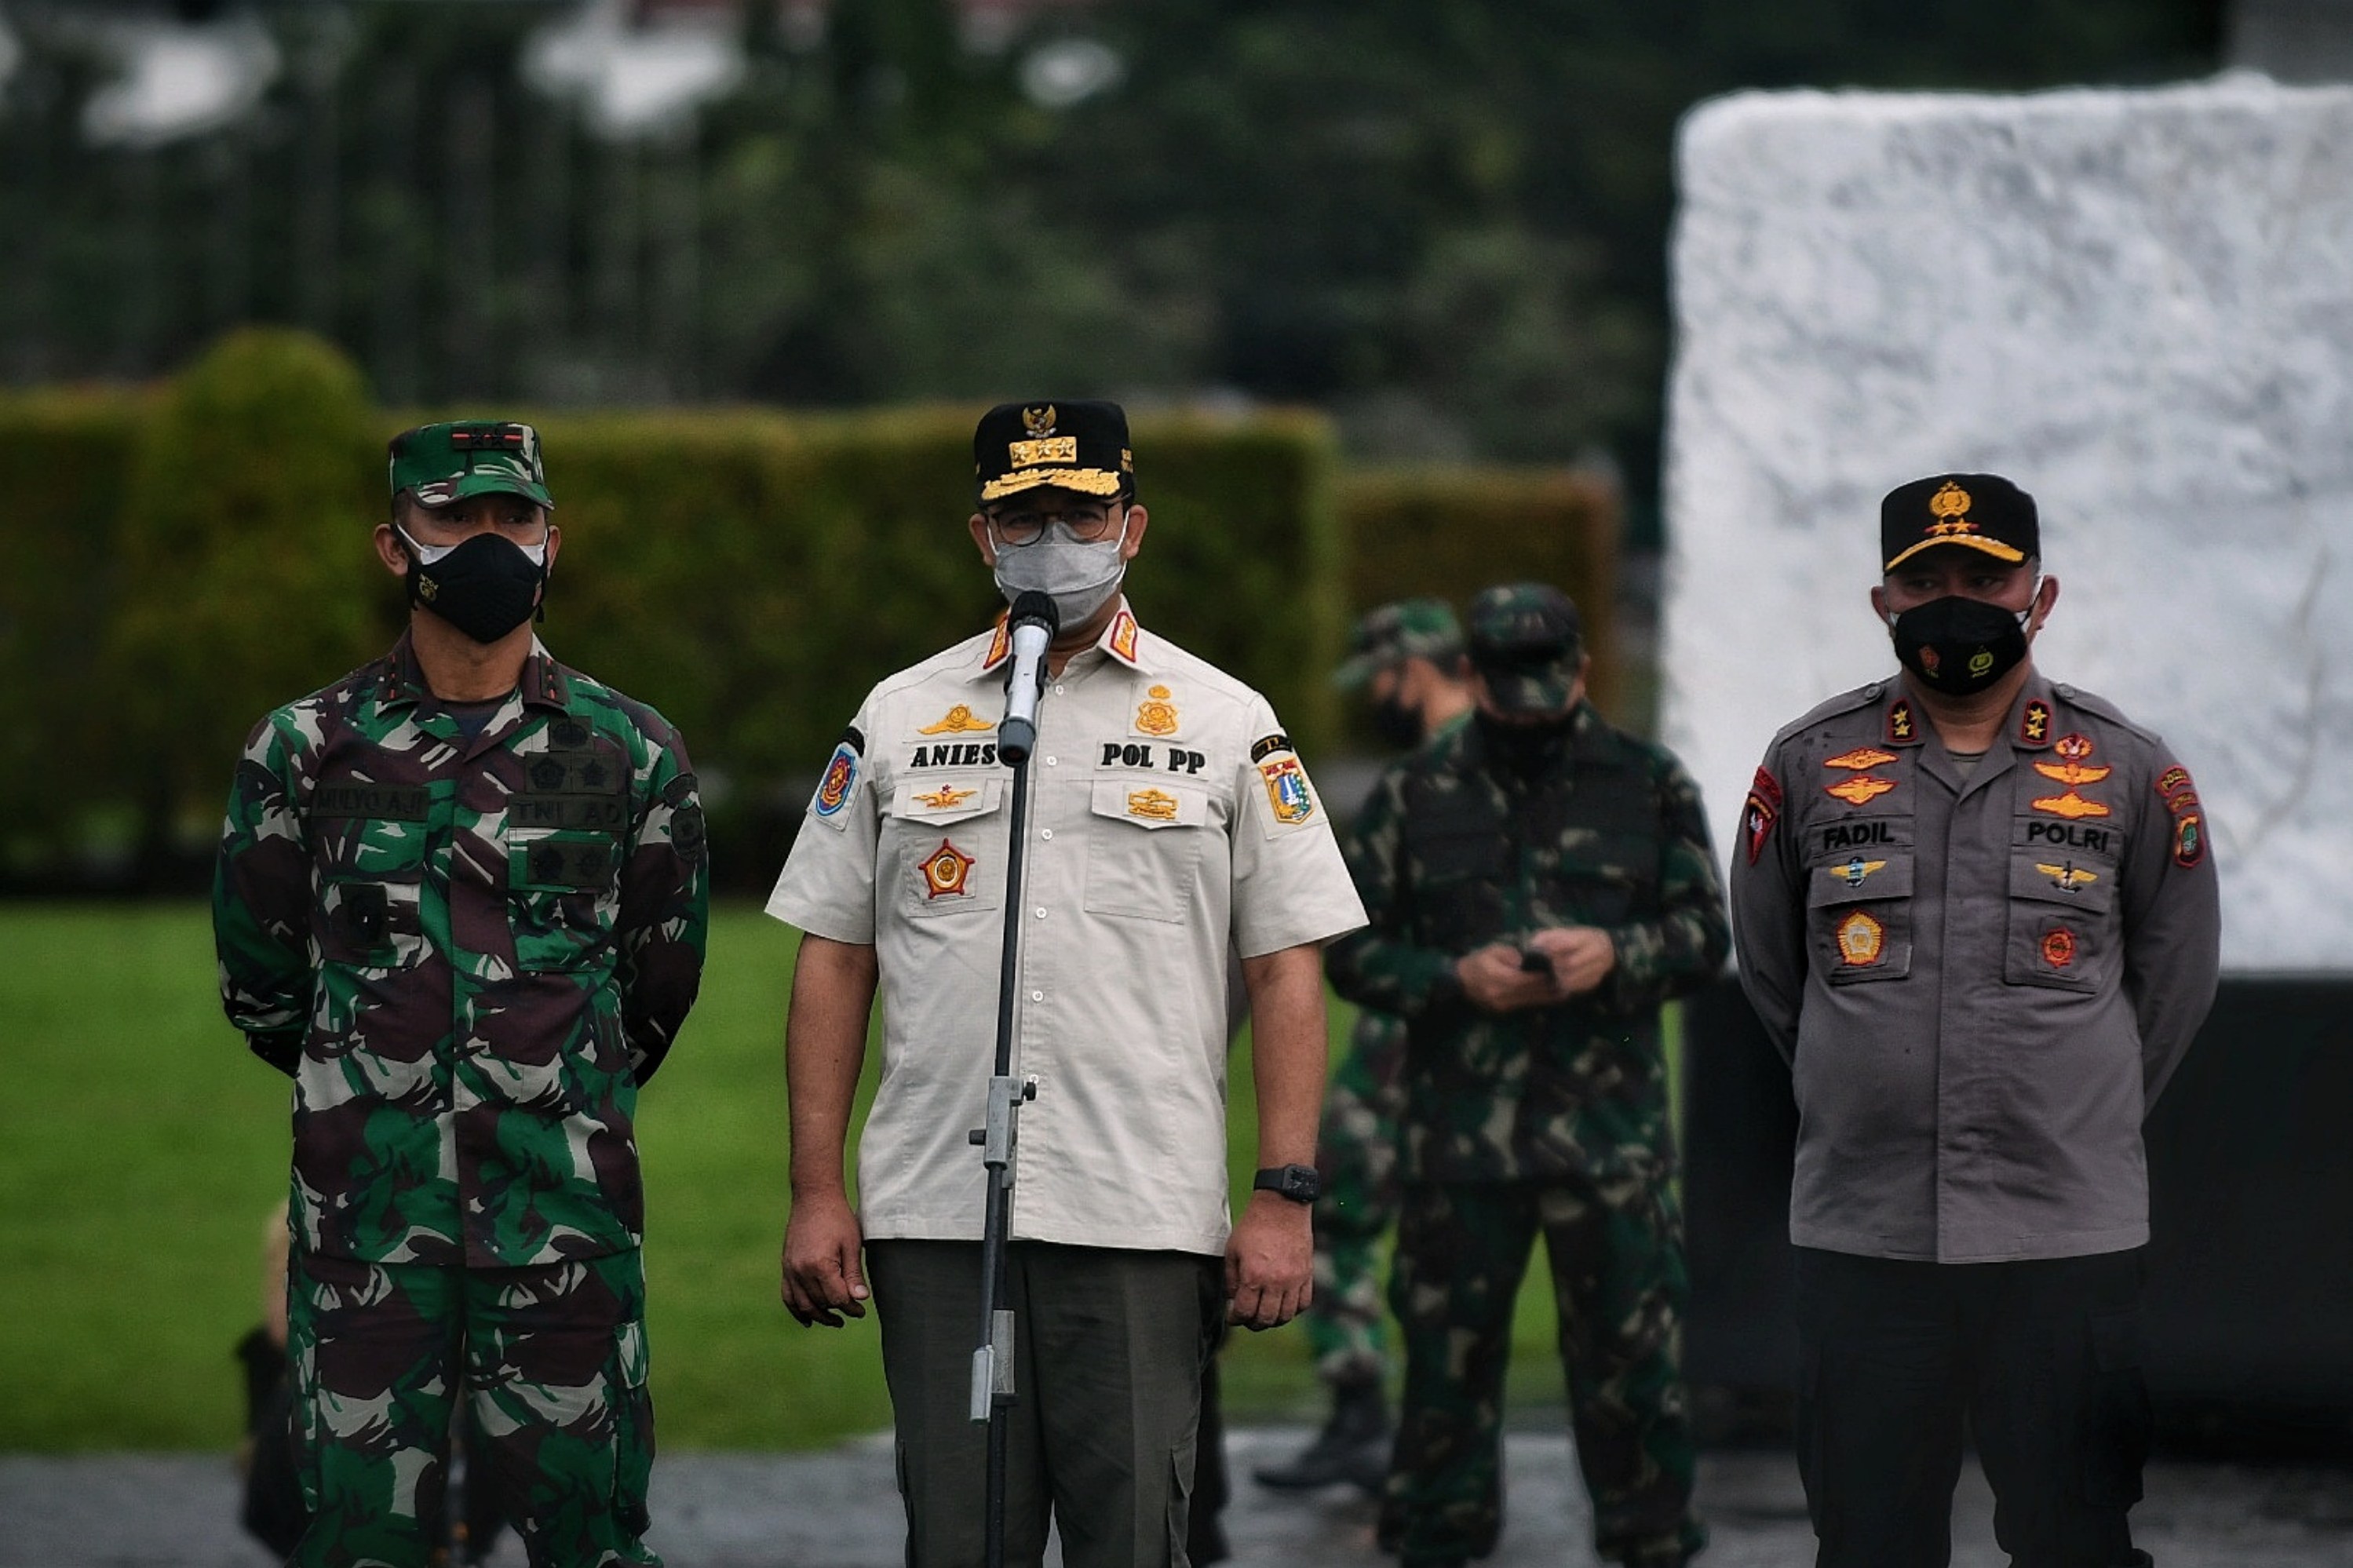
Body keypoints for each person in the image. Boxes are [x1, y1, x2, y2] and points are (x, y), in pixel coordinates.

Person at [768, 399, 1366, 1568]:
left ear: (1130, 526)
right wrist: (814, 1188)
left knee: (1132, 1536)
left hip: (1138, 1210)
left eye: (1079, 512)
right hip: (938, 1212)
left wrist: (1284, 1196)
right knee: (956, 1541)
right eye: (1023, 514)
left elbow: (1288, 966)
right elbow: (834, 956)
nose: (1054, 537)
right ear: (982, 537)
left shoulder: (1224, 718)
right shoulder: (899, 714)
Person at [213, 420, 710, 1568]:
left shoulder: (628, 751)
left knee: (591, 1540)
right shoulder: (304, 749)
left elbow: (657, 982)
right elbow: (262, 980)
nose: (490, 542)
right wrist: (373, 1085)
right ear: (396, 545)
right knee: (357, 1542)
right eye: (457, 519)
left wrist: (549, 1088)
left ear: (552, 540)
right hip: (368, 1237)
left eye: (514, 518)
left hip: (564, 1231)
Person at [1728, 472, 2220, 1567]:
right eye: (1926, 579)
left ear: (2038, 594)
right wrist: (1858, 1078)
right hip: (1866, 1234)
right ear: (1881, 601)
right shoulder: (1805, 764)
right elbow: (1773, 976)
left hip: (2062, 1237)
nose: (1956, 599)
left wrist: (2076, 1104)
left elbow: (2174, 977)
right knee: (1867, 1541)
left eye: (1983, 577)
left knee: (2073, 1537)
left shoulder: (2129, 768)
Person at [1327, 583, 1727, 1568]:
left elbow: (1707, 935)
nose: (1531, 703)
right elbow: (1345, 948)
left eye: (1548, 681)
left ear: (1583, 670)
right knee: (1444, 1383)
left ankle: (1650, 1543)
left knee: (1633, 1375)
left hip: (1610, 1144)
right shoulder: (1413, 793)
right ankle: (1440, 1541)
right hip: (1458, 1145)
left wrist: (1617, 953)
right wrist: (1453, 978)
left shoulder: (1649, 782)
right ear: (1471, 677)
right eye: (1509, 685)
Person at [1255, 598, 1475, 1495]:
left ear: (1411, 672)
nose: (1376, 697)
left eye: (1382, 680)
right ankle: (1447, 1441)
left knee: (1338, 1218)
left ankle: (1360, 1415)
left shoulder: (1419, 783)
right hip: (1492, 1053)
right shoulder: (1519, 767)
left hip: (1401, 1042)